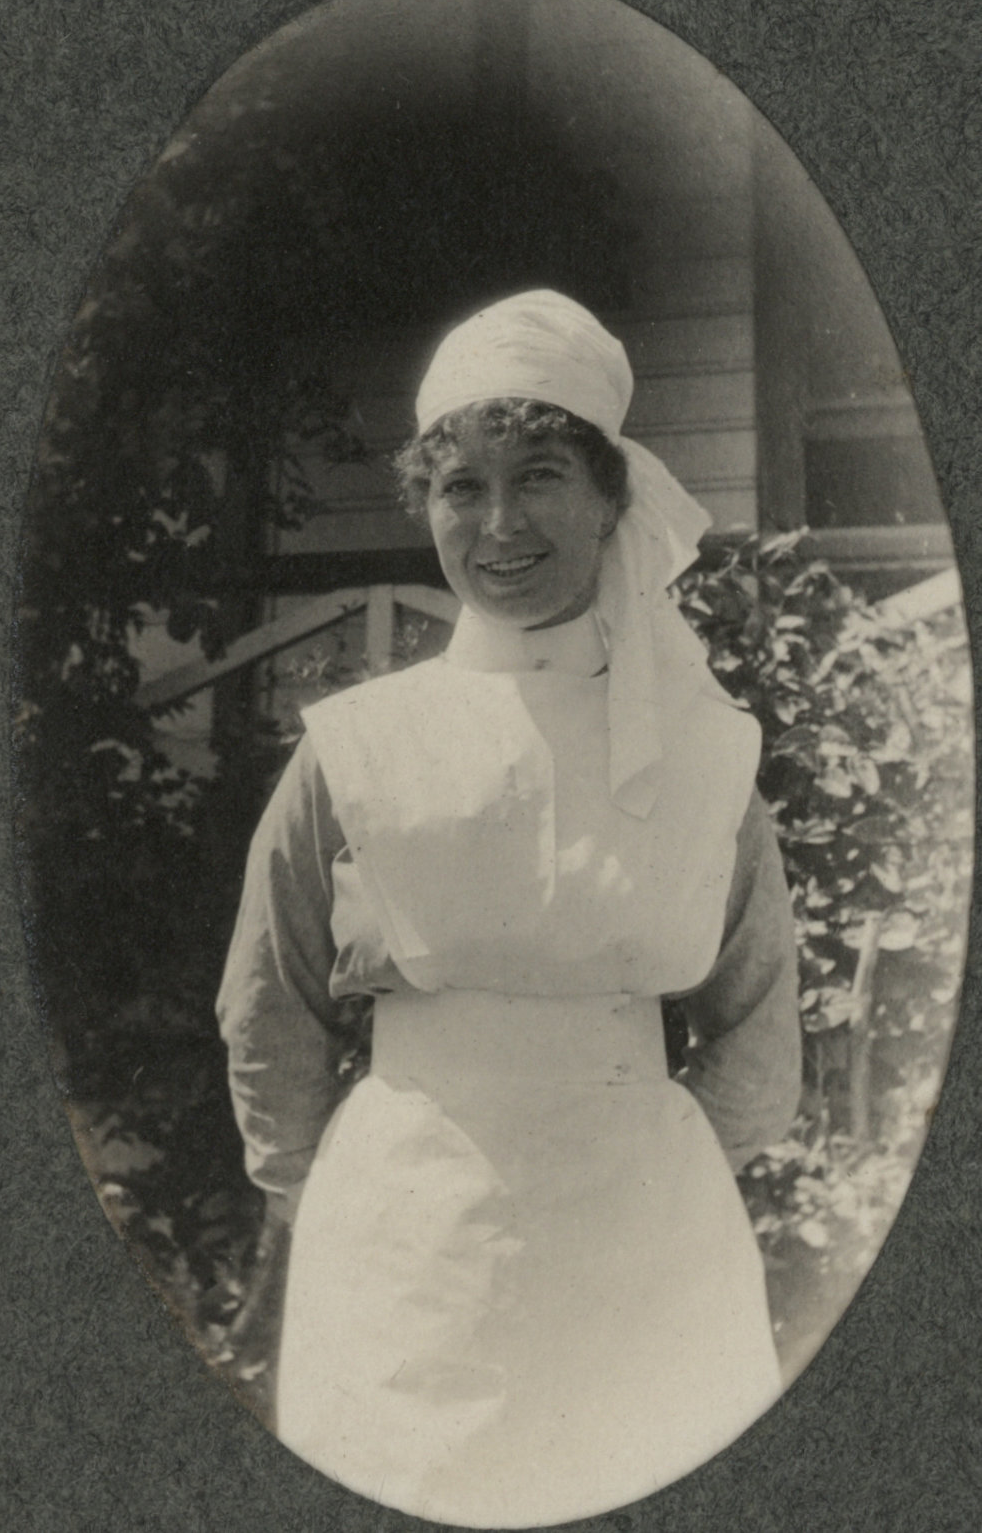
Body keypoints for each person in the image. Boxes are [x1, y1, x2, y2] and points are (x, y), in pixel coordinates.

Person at [216, 290, 801, 1528]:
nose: (498, 523)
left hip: (646, 1232)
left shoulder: (702, 753)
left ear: (611, 498)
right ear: (424, 504)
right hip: (408, 1233)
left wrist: (669, 1169)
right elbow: (273, 990)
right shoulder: (359, 748)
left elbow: (756, 1005)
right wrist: (315, 1194)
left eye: (537, 475)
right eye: (459, 486)